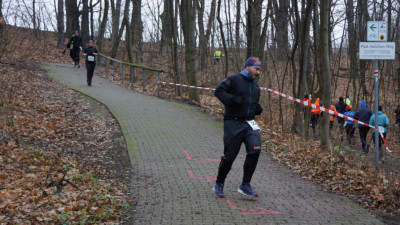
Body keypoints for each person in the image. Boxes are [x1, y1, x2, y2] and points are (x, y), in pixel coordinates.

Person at [213, 57, 263, 198]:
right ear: (247, 67)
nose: (258, 73)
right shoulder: (234, 79)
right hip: (232, 123)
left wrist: (257, 108)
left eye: (260, 70)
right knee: (230, 156)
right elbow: (219, 91)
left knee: (255, 149)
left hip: (249, 124)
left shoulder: (255, 87)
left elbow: (252, 103)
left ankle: (245, 185)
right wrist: (232, 100)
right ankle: (219, 183)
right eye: (256, 69)